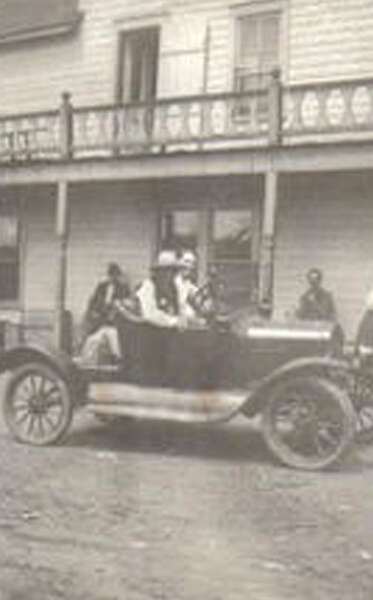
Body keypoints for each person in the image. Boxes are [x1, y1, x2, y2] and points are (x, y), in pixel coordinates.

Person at [80, 263, 131, 365]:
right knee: (92, 341)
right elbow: (93, 302)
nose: (112, 277)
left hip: (115, 323)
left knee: (116, 344)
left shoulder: (123, 288)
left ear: (118, 276)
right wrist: (94, 313)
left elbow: (126, 305)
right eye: (111, 275)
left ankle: (119, 363)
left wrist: (115, 311)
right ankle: (86, 362)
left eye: (115, 275)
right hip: (100, 321)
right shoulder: (101, 286)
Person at [136, 250, 185, 328]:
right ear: (159, 271)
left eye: (174, 271)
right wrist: (173, 321)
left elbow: (181, 308)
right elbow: (150, 314)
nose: (171, 275)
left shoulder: (174, 288)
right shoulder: (148, 287)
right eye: (167, 270)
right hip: (150, 333)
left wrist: (186, 318)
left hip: (170, 333)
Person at [174, 250, 200, 321]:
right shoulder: (173, 281)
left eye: (192, 263)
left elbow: (197, 294)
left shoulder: (187, 283)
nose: (189, 266)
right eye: (187, 261)